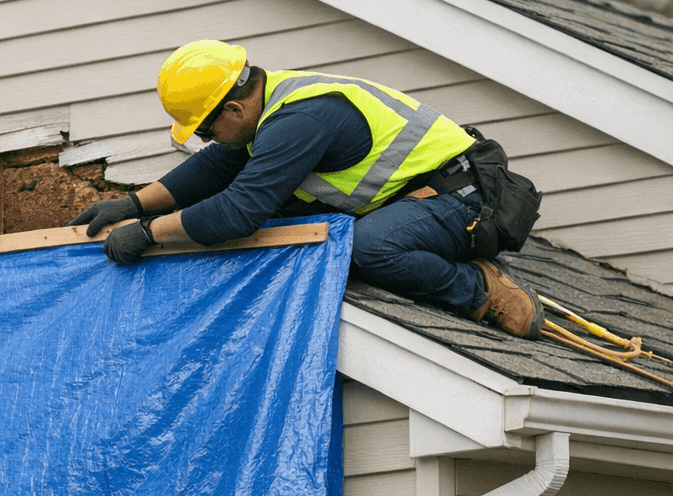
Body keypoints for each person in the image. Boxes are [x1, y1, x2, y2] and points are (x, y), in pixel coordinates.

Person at [69, 39, 544, 338]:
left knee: (366, 247)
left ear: (233, 110)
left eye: (205, 129)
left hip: (466, 201)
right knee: (294, 224)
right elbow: (213, 170)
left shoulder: (298, 120)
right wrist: (129, 203)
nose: (204, 140)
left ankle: (480, 288)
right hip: (418, 198)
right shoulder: (271, 106)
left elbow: (237, 213)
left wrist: (148, 232)